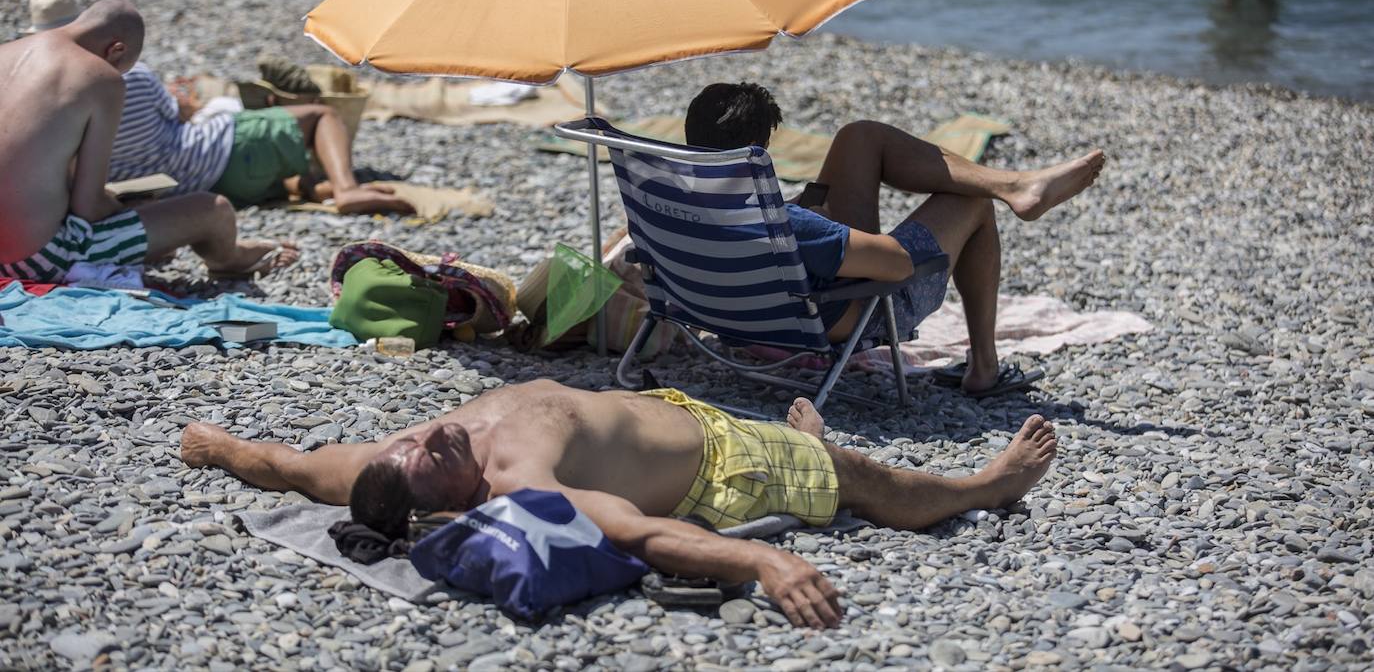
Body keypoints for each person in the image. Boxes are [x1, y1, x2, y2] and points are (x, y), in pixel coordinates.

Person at [180, 379, 1058, 629]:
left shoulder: (379, 467)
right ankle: (983, 486)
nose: (431, 438)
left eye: (415, 441)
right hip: (724, 463)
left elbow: (288, 467)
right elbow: (641, 533)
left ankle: (814, 442)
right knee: (859, 479)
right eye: (428, 459)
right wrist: (764, 557)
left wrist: (216, 445)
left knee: (813, 445)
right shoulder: (525, 488)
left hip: (671, 408)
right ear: (451, 501)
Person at [684, 83, 1106, 396]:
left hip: (745, 310)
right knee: (973, 205)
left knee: (860, 137)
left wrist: (810, 215)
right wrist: (827, 232)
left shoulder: (675, 202)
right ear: (759, 148)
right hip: (847, 310)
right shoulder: (783, 222)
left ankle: (1014, 184)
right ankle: (985, 368)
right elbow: (897, 265)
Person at [0, 0, 300, 283]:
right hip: (34, 258)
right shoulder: (101, 78)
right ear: (116, 50)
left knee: (147, 224)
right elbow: (87, 207)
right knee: (214, 210)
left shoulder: (7, 52)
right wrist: (124, 210)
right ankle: (230, 260)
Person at [108, 58, 411, 215]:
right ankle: (346, 189)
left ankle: (314, 187)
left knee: (270, 173)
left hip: (206, 192)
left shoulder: (67, 116)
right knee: (322, 116)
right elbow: (181, 114)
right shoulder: (132, 74)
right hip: (222, 149)